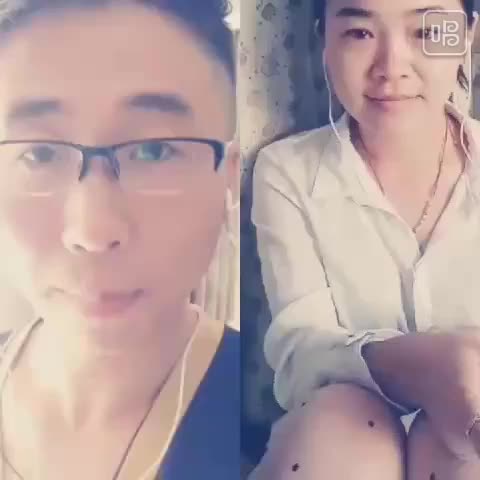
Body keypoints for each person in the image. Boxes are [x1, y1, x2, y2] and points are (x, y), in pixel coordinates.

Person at [0, 0, 239, 478]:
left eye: (153, 151)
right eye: (39, 154)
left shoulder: (272, 424)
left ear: (229, 178)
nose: (92, 231)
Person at [250, 0, 480, 478]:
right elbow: (300, 352)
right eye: (359, 33)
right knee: (344, 423)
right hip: (335, 442)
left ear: (467, 38)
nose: (391, 68)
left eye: (426, 32)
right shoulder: (287, 172)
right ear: (324, 42)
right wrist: (421, 365)